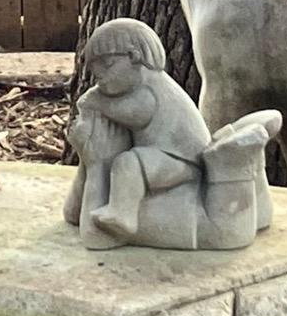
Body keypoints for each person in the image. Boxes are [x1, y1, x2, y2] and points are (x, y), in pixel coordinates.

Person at [77, 18, 211, 239]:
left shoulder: (150, 91)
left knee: (127, 164)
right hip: (166, 156)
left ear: (133, 57)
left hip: (182, 160)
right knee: (128, 162)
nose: (98, 75)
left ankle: (123, 215)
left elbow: (134, 114)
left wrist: (97, 102)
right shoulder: (141, 88)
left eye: (107, 64)